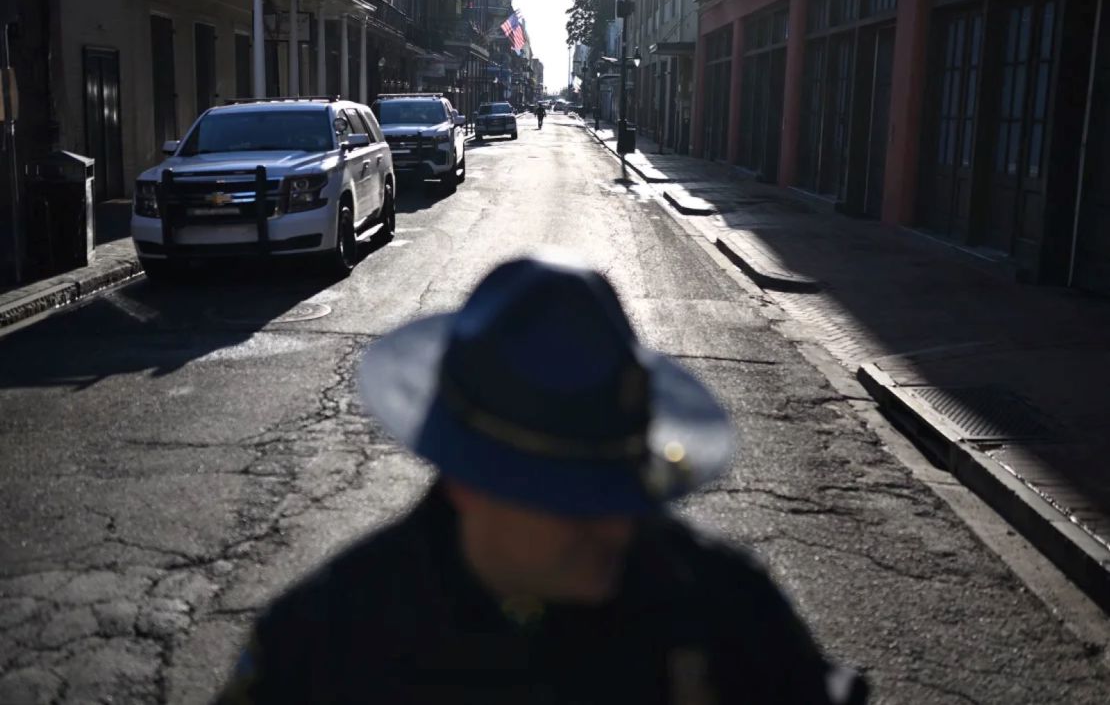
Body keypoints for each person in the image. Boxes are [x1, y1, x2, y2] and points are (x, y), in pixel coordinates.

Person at [215, 253, 869, 705]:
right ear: (466, 481)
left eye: (623, 484)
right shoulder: (329, 642)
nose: (617, 524)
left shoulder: (728, 612)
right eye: (571, 501)